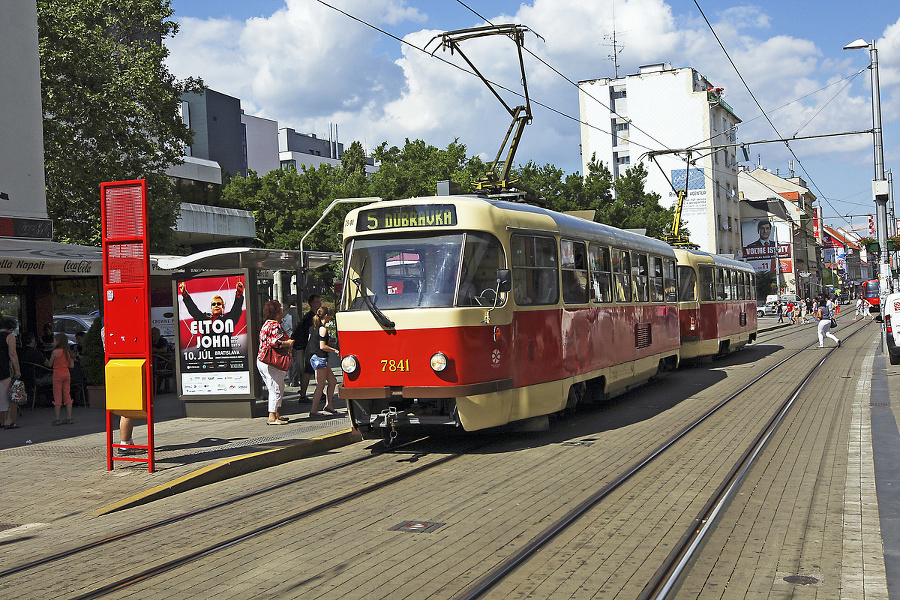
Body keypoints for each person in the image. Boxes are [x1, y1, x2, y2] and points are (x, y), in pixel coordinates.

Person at [257, 300, 294, 425]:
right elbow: (275, 343)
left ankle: (277, 413)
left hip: (263, 360)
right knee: (275, 388)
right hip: (272, 362)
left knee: (276, 386)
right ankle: (272, 417)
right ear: (277, 312)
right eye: (280, 309)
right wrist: (287, 343)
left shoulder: (266, 324)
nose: (282, 312)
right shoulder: (275, 326)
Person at [308, 306, 339, 417]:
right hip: (320, 358)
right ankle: (313, 410)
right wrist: (334, 349)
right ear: (326, 316)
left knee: (333, 381)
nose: (330, 318)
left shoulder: (315, 327)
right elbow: (322, 346)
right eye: (330, 315)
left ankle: (329, 405)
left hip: (318, 358)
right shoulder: (323, 329)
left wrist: (329, 341)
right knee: (320, 385)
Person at [289, 294, 321, 394]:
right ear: (311, 304)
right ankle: (305, 394)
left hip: (307, 346)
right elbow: (310, 333)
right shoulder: (310, 317)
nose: (319, 303)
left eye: (320, 301)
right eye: (317, 302)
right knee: (308, 371)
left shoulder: (312, 315)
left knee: (313, 371)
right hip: (306, 347)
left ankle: (317, 393)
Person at [179, 280, 245, 324]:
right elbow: (194, 311)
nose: (216, 305)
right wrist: (184, 294)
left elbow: (236, 311)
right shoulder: (205, 319)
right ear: (211, 308)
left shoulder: (227, 319)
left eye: (219, 304)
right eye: (214, 304)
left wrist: (239, 293)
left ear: (223, 307)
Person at [47, 333, 75, 425]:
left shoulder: (55, 352)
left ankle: (57, 418)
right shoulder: (68, 352)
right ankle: (69, 417)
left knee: (57, 395)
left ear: (58, 341)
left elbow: (50, 364)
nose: (53, 342)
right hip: (66, 373)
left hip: (57, 374)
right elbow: (71, 365)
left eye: (54, 340)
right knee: (67, 394)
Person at [0, 318, 22, 429]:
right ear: (11, 328)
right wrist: (17, 370)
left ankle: (1, 421)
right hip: (3, 369)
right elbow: (12, 354)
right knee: (7, 395)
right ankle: (9, 421)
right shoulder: (9, 337)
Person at [17, 332, 45, 408]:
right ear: (32, 340)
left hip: (23, 376)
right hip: (37, 377)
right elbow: (48, 364)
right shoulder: (36, 353)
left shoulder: (19, 353)